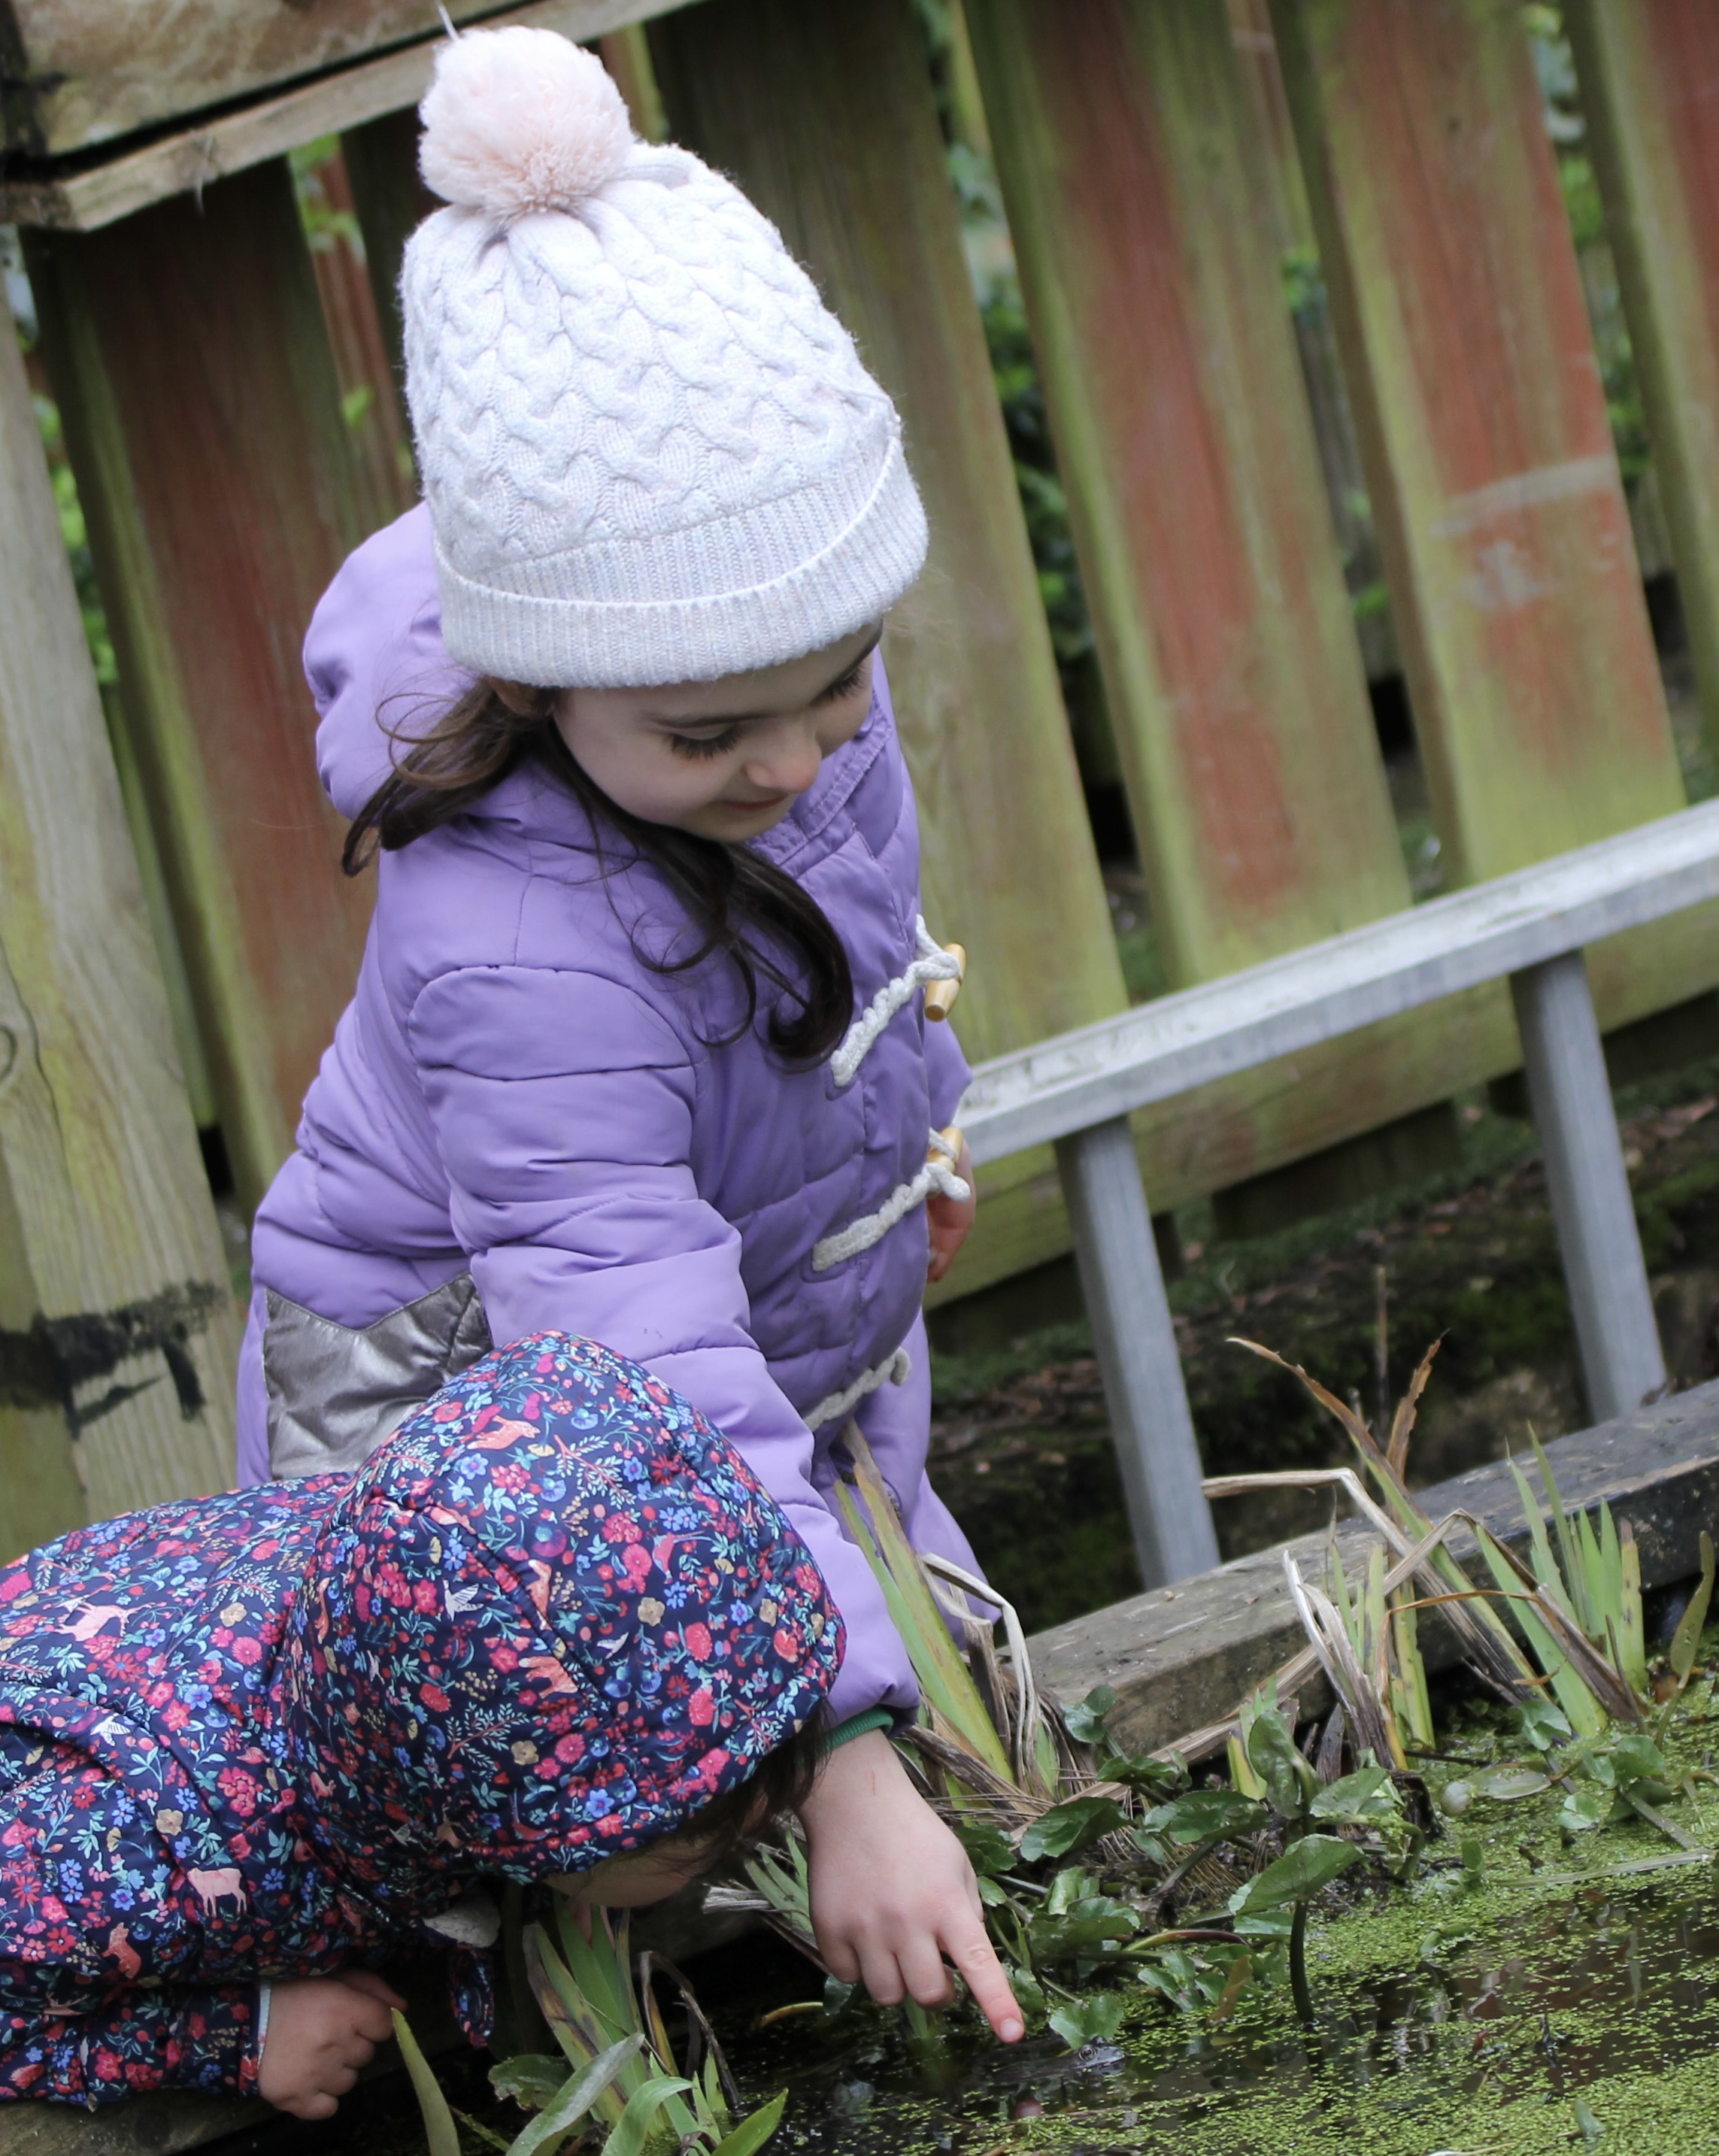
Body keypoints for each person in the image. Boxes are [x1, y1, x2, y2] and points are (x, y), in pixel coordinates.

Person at [240, 26, 1019, 2039]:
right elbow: (632, 1354)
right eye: (710, 730)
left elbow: (835, 961)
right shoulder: (516, 946)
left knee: (910, 1784)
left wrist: (894, 1156)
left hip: (735, 1315)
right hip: (467, 1392)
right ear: (540, 680)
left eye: (837, 686)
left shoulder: (763, 714)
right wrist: (836, 1746)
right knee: (585, 1868)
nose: (794, 759)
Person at [0, 1336, 862, 2121]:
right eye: (703, 1833)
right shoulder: (153, 1834)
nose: (757, 1821)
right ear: (505, 1808)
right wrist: (233, 2039)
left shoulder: (414, 1610)